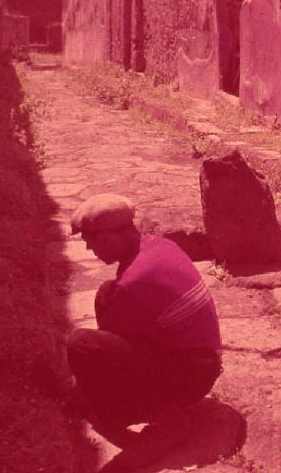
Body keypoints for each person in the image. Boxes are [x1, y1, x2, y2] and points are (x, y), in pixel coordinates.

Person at [66, 193, 222, 465]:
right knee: (106, 294)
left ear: (108, 237)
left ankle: (165, 421)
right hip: (202, 363)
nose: (91, 251)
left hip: (189, 379)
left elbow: (112, 346)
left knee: (83, 344)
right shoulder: (159, 245)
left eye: (91, 243)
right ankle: (135, 408)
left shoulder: (134, 281)